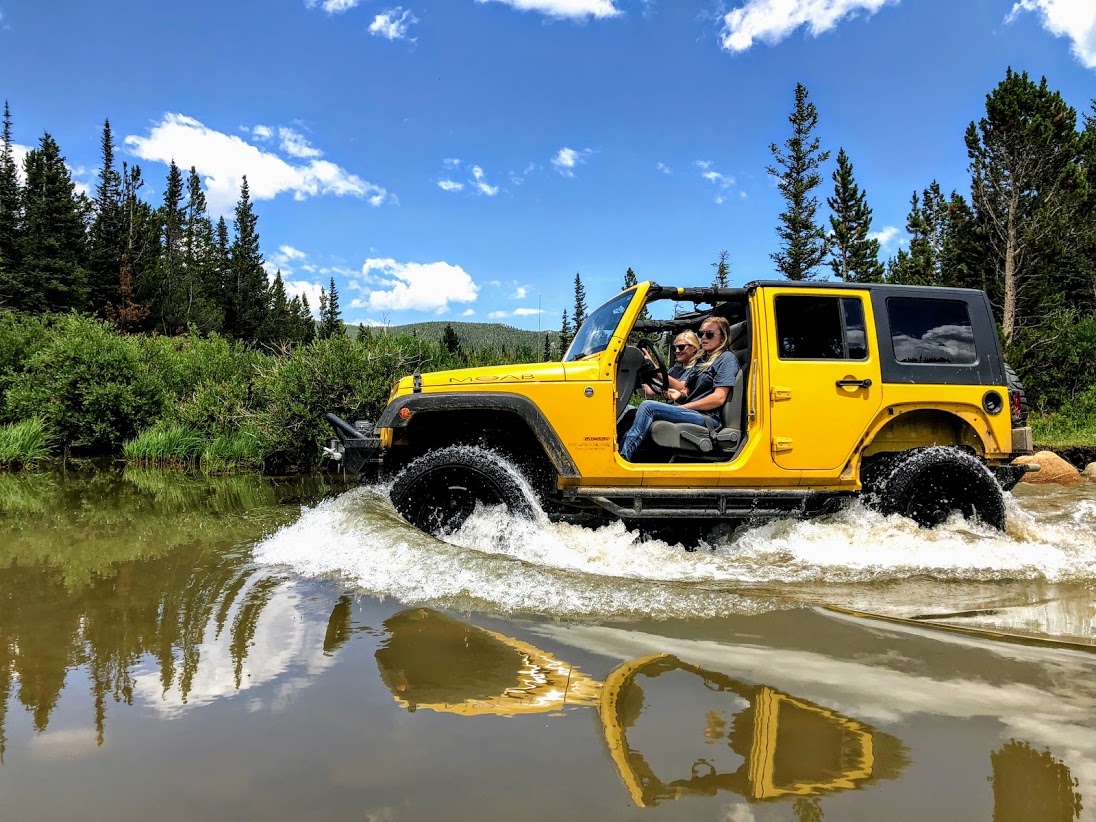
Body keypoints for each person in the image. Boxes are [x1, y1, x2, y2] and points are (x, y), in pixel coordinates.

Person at [620, 316, 738, 462]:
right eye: (701, 334)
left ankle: (623, 458)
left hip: (708, 417)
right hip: (692, 412)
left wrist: (685, 406)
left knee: (648, 406)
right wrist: (679, 395)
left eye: (709, 334)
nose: (703, 338)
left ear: (722, 338)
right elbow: (686, 389)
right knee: (632, 412)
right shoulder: (703, 360)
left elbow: (718, 398)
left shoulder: (726, 359)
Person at [640, 330, 700, 399]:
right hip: (669, 407)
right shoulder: (674, 370)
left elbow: (682, 387)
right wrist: (638, 377)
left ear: (694, 348)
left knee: (647, 405)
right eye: (674, 348)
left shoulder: (698, 369)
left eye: (681, 347)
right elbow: (650, 393)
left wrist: (653, 366)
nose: (677, 351)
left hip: (684, 408)